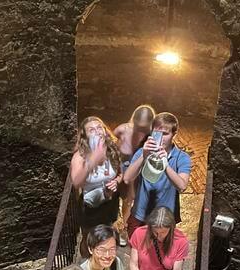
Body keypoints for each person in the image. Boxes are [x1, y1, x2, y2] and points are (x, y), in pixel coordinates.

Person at [123, 111, 191, 239]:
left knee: (159, 257)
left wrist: (166, 166)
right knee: (137, 255)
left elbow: (182, 186)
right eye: (157, 133)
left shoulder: (181, 158)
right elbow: (127, 178)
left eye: (165, 134)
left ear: (174, 134)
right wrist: (143, 156)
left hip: (163, 221)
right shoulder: (143, 152)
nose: (161, 137)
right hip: (140, 216)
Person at [70, 116, 122, 257]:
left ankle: (104, 262)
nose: (97, 131)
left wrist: (116, 181)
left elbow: (119, 173)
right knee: (89, 238)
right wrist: (93, 159)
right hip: (90, 206)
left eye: (99, 128)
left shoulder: (111, 149)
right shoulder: (80, 155)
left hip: (109, 201)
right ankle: (88, 262)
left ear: (105, 131)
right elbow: (76, 181)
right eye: (91, 130)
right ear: (85, 135)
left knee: (106, 234)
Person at [113, 105, 155, 246]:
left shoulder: (152, 138)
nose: (141, 131)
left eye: (144, 128)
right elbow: (113, 139)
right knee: (117, 200)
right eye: (138, 126)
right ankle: (115, 226)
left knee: (131, 201)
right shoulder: (122, 130)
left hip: (137, 175)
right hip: (119, 173)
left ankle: (124, 227)